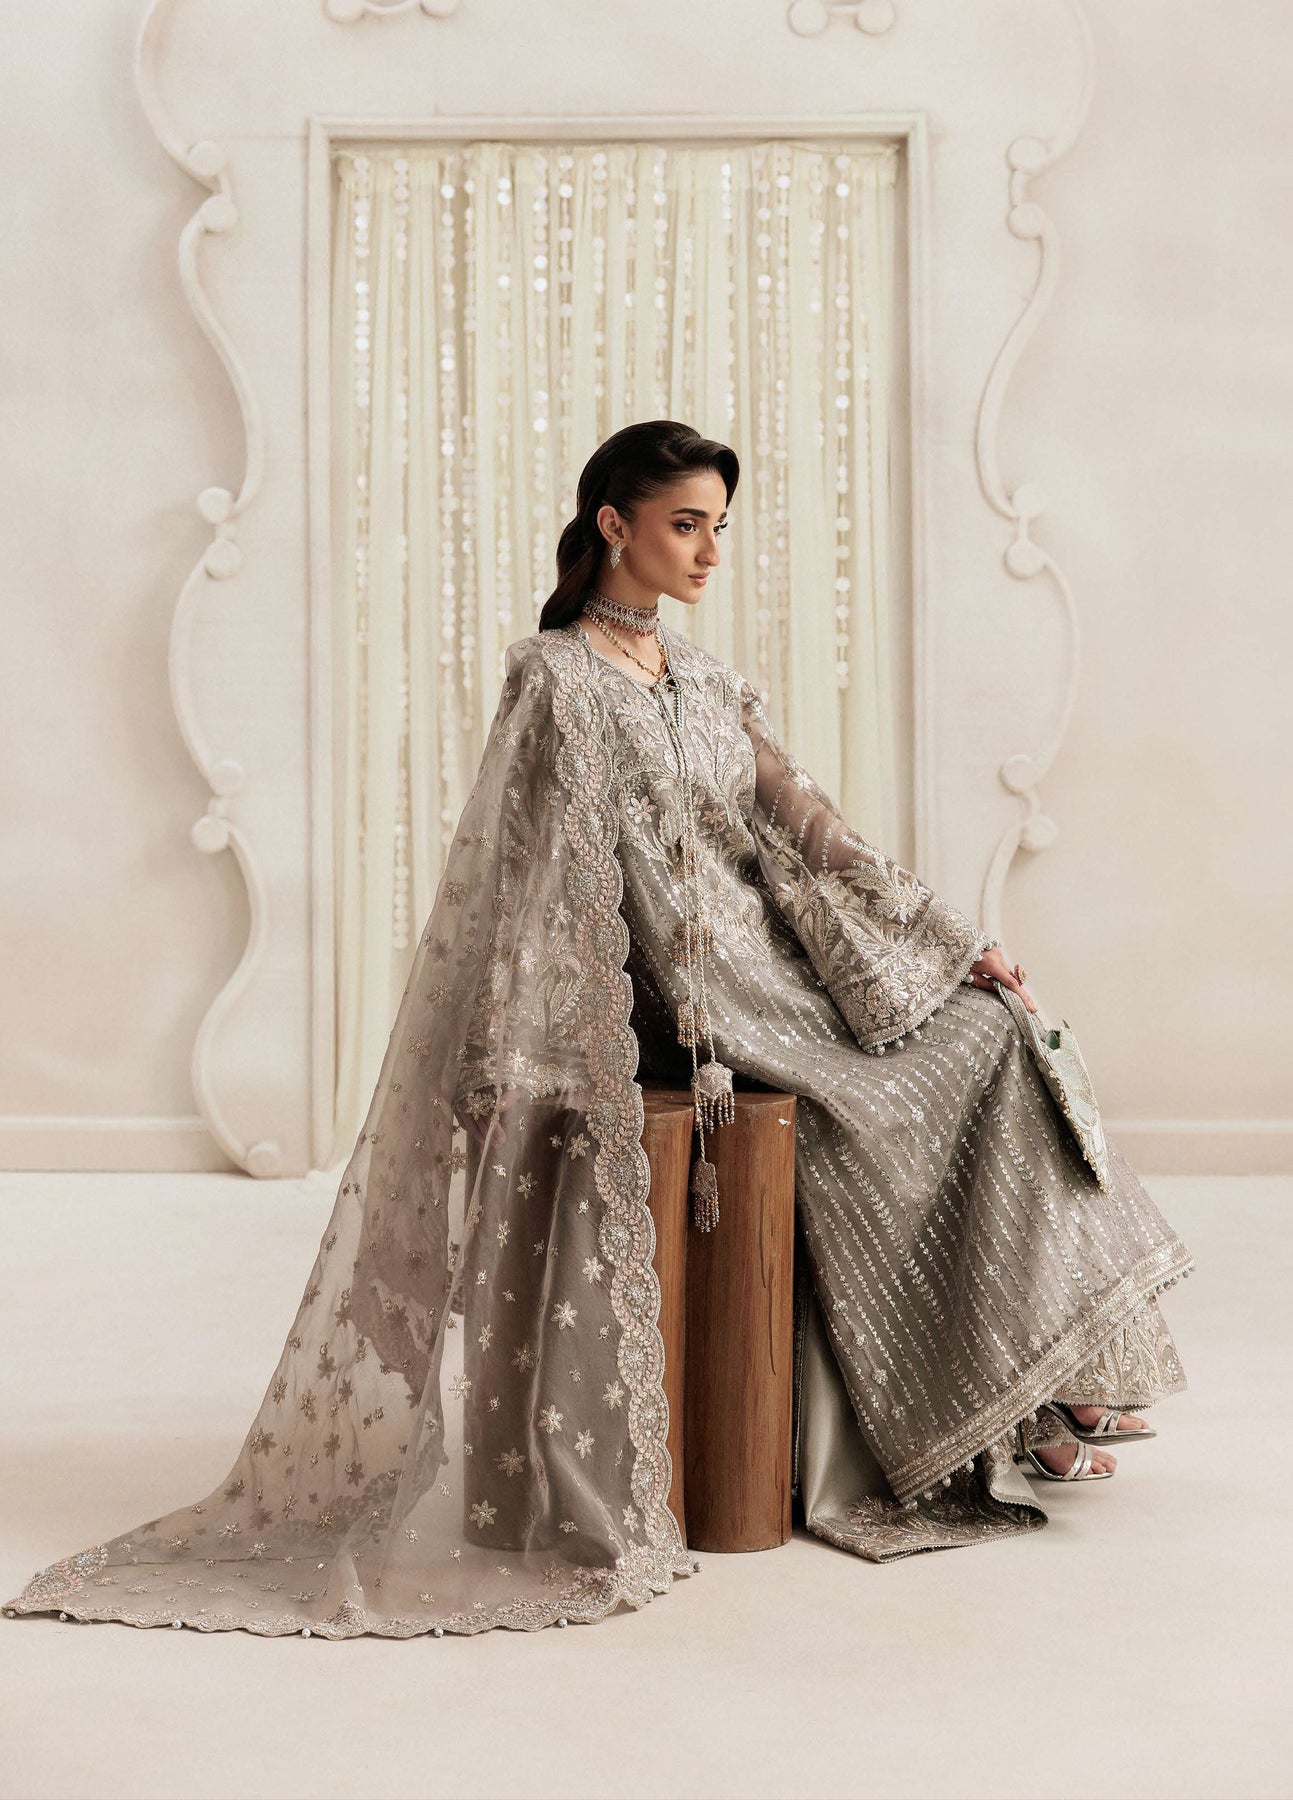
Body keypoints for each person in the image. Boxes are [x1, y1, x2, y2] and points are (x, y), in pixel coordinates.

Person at [5, 421, 1192, 1637]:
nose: (709, 551)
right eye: (686, 525)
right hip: (688, 1007)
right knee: (897, 1101)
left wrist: (955, 937)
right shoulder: (555, 678)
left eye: (720, 527)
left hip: (787, 974)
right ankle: (1006, 1414)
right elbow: (514, 872)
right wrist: (518, 1041)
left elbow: (810, 823)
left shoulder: (710, 682)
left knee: (993, 1032)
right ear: (614, 525)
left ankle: (1032, 1397)